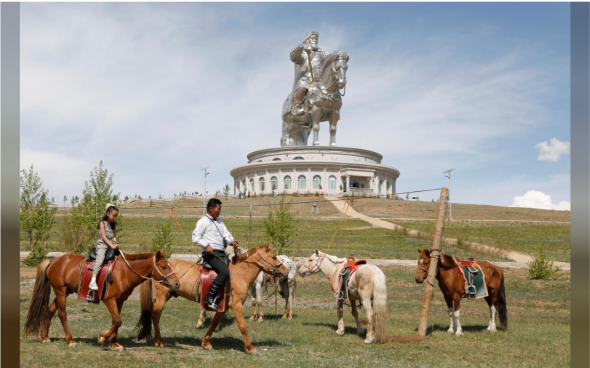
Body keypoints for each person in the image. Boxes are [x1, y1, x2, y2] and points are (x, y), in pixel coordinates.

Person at [192, 198, 239, 310]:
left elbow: (226, 235)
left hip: (221, 253)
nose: (220, 211)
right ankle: (209, 298)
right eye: (218, 208)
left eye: (220, 209)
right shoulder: (203, 221)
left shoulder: (219, 221)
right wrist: (206, 245)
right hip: (210, 254)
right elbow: (195, 237)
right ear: (210, 209)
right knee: (224, 271)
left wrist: (231, 241)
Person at [288, 31, 330, 116]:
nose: (315, 41)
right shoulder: (303, 53)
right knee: (302, 84)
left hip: (319, 79)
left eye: (316, 39)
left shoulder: (321, 53)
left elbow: (330, 60)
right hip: (306, 78)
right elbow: (294, 57)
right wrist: (301, 46)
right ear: (308, 40)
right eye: (313, 39)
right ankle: (297, 106)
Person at [89, 204, 119, 291]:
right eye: (114, 216)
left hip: (110, 246)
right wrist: (112, 245)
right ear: (107, 214)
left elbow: (114, 236)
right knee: (100, 259)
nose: (115, 218)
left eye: (116, 216)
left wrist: (114, 241)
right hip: (102, 246)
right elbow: (104, 237)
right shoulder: (102, 223)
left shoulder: (113, 224)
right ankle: (93, 280)